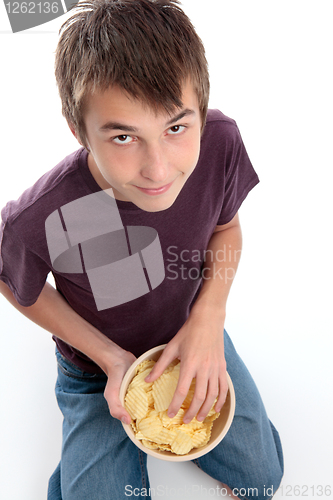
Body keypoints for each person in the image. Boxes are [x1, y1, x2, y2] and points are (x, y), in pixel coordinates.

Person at [0, 0, 283, 498]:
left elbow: (227, 227)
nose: (158, 169)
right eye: (125, 136)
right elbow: (9, 277)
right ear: (79, 132)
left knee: (264, 479)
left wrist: (209, 317)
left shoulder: (219, 144)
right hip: (96, 369)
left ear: (200, 110)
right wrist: (110, 359)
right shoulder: (47, 212)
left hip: (189, 332)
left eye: (176, 128)